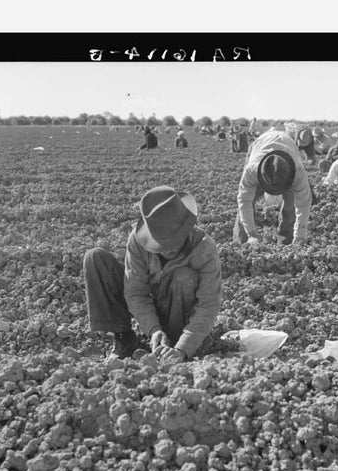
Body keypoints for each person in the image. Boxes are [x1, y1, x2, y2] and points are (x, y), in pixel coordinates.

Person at [82, 186, 222, 361]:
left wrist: (183, 347)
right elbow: (136, 291)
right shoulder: (138, 240)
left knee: (183, 277)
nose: (166, 250)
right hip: (155, 306)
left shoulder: (205, 248)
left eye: (172, 242)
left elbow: (208, 305)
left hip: (183, 318)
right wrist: (153, 329)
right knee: (95, 258)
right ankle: (125, 339)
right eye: (160, 243)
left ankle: (175, 342)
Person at [233, 127, 312, 246]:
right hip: (260, 145)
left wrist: (299, 237)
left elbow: (303, 204)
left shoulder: (297, 172)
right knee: (246, 204)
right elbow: (244, 201)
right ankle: (242, 244)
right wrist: (251, 234)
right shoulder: (252, 170)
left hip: (288, 147)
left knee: (290, 207)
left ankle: (287, 243)